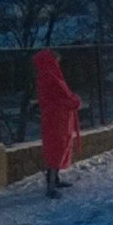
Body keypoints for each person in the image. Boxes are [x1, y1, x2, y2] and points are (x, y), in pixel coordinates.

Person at [33, 49, 81, 199]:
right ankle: (51, 185)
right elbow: (56, 99)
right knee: (56, 150)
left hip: (58, 119)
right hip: (56, 120)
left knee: (58, 149)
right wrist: (73, 102)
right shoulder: (49, 76)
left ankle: (55, 180)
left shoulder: (48, 75)